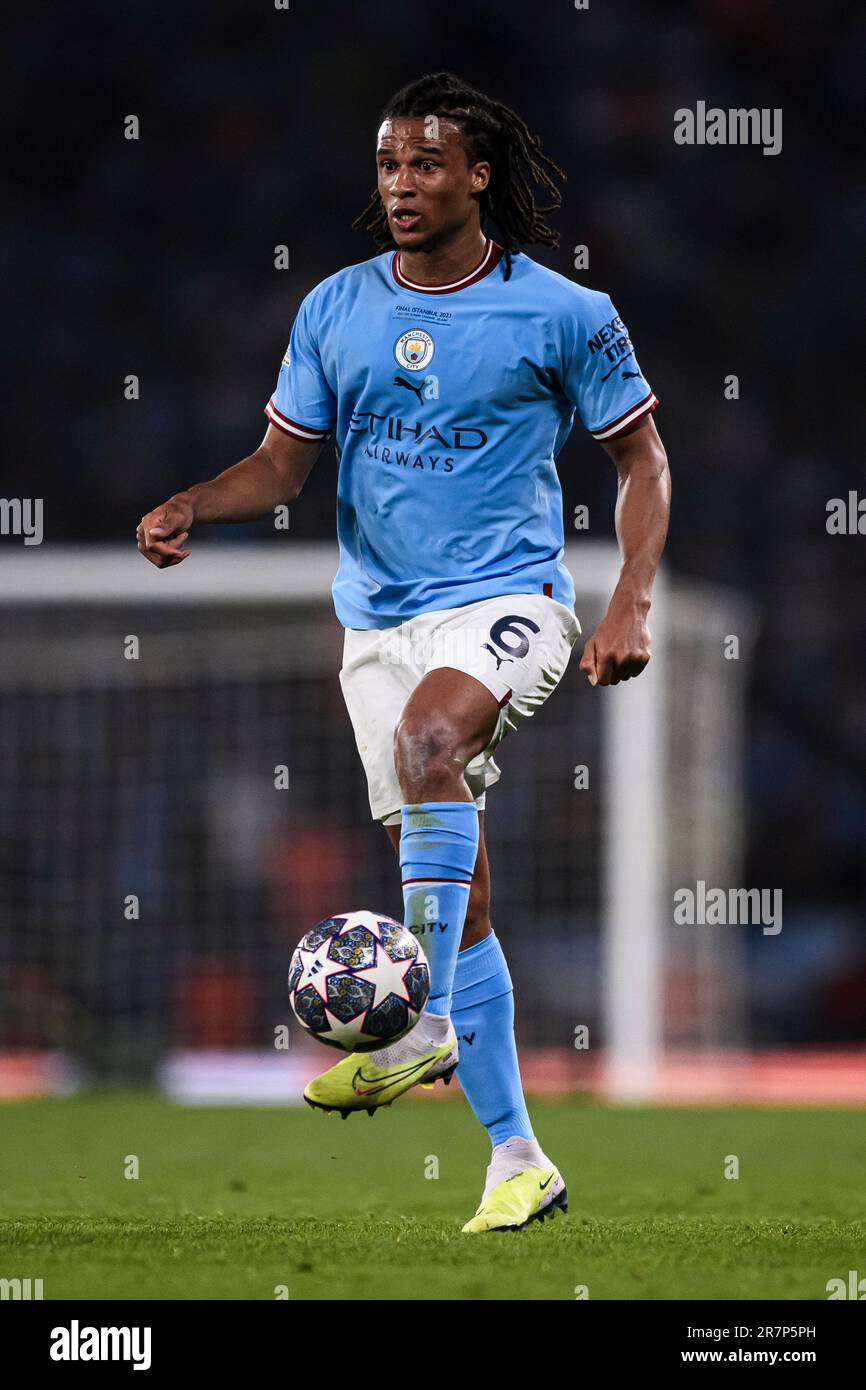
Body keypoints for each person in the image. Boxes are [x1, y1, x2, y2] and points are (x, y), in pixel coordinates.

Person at [137, 71, 671, 1233]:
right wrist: (194, 502)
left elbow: (643, 463)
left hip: (508, 599)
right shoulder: (334, 308)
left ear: (477, 177)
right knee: (460, 903)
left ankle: (417, 1023)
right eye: (387, 166)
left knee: (430, 737)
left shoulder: (563, 313)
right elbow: (281, 467)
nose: (402, 186)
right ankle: (517, 1158)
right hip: (375, 623)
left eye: (425, 165)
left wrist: (629, 600)